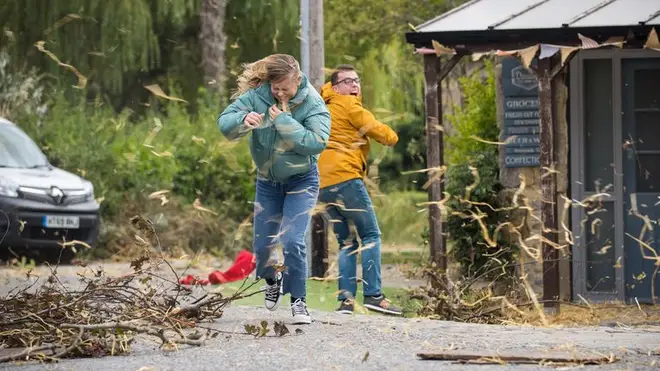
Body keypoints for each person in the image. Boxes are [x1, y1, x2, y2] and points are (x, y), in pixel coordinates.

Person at [217, 54, 331, 324]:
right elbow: (225, 122)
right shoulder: (258, 95)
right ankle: (272, 278)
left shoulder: (313, 103)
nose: (279, 93)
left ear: (298, 81)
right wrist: (243, 120)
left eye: (285, 89)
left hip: (302, 180)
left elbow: (316, 142)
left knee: (292, 240)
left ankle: (299, 301)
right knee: (262, 245)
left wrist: (284, 121)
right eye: (275, 88)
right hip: (267, 181)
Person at [318, 64, 402, 316]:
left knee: (346, 242)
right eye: (347, 81)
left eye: (357, 80)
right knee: (371, 236)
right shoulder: (349, 105)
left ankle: (345, 301)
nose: (354, 85)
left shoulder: (322, 108)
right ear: (335, 87)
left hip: (322, 184)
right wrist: (392, 135)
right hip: (346, 179)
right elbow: (381, 132)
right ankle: (374, 295)